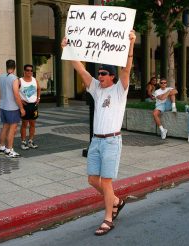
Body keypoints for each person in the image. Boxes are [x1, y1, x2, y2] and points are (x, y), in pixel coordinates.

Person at [61, 30, 136, 236]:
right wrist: (67, 48)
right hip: (96, 141)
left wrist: (131, 44)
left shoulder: (120, 90)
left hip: (112, 141)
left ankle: (108, 218)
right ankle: (116, 201)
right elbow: (80, 69)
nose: (99, 76)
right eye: (99, 73)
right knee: (92, 180)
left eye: (104, 74)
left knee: (106, 181)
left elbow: (127, 70)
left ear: (112, 76)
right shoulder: (96, 88)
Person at [0, 60, 25, 158]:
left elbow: (0, 91)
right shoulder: (15, 78)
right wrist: (21, 108)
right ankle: (9, 150)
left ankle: (2, 147)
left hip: (3, 106)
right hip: (12, 107)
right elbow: (16, 95)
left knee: (5, 127)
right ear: (15, 67)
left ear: (6, 66)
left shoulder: (1, 77)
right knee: (12, 129)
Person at [19, 64, 41, 150]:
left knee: (32, 124)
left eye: (31, 70)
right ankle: (23, 142)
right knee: (24, 124)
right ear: (24, 71)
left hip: (34, 105)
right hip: (25, 105)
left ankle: (30, 141)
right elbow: (15, 92)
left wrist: (38, 98)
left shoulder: (34, 80)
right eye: (27, 70)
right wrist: (20, 100)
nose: (29, 72)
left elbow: (39, 88)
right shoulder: (20, 80)